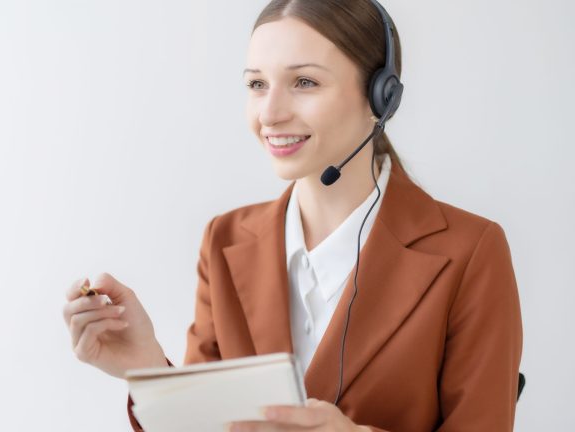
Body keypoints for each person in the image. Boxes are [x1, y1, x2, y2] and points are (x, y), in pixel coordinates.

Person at [62, 1, 523, 431]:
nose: (270, 113)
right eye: (257, 84)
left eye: (304, 82)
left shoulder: (469, 251)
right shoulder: (223, 239)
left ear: (381, 98)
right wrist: (146, 369)